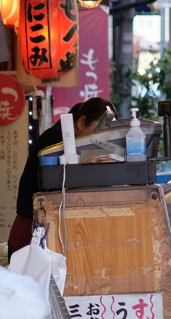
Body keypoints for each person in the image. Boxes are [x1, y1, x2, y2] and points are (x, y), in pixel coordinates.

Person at [8, 97, 117, 253]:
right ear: (81, 122)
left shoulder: (70, 141)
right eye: (99, 132)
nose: (100, 141)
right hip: (31, 230)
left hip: (47, 230)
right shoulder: (55, 140)